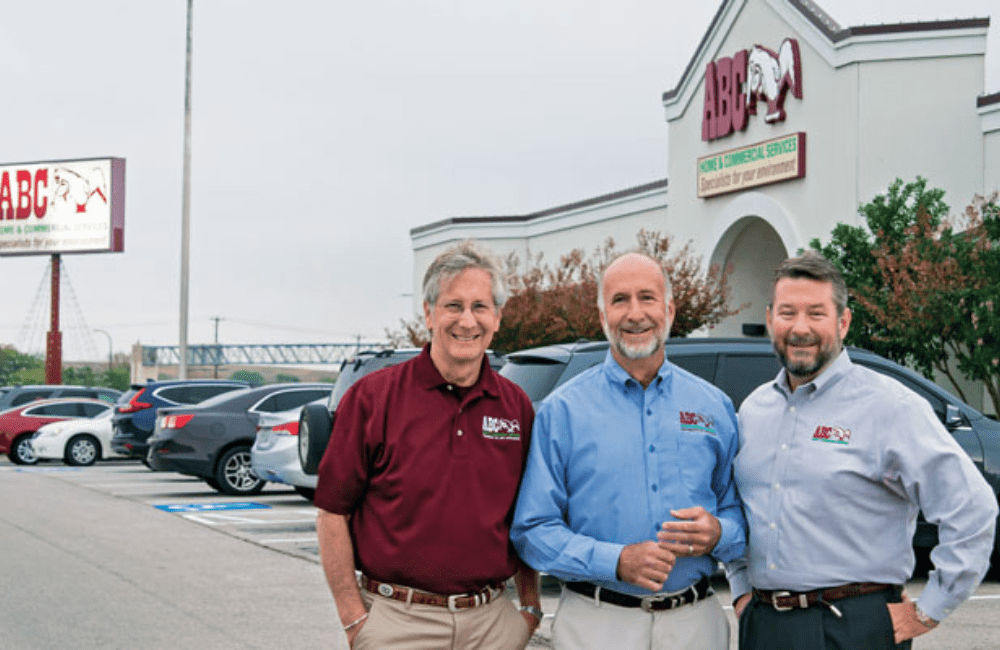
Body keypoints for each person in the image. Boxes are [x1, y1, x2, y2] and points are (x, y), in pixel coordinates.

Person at [730, 251, 998, 650]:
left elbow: (972, 510)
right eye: (788, 312)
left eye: (816, 313)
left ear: (843, 321)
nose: (800, 327)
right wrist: (739, 591)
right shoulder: (753, 410)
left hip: (854, 627)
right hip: (765, 626)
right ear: (771, 319)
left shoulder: (890, 407)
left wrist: (931, 609)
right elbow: (737, 507)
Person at [511, 251, 747, 650]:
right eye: (620, 300)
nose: (635, 313)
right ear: (603, 316)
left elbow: (740, 512)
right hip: (596, 625)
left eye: (647, 298)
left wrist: (720, 532)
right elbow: (533, 532)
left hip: (696, 626)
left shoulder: (714, 407)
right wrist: (615, 561)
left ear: (669, 309)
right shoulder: (562, 412)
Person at [314, 240, 542, 650]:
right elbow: (332, 512)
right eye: (453, 306)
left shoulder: (516, 407)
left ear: (497, 318)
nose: (467, 321)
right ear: (428, 313)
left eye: (480, 307)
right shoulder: (372, 398)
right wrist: (354, 619)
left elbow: (527, 516)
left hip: (492, 624)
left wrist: (529, 609)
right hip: (398, 623)